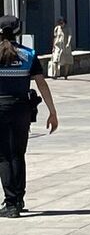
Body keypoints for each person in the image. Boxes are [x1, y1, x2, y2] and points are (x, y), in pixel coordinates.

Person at [0, 15, 58, 218]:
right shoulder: (28, 54)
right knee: (18, 154)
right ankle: (19, 198)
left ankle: (10, 203)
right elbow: (41, 83)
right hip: (21, 109)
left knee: (4, 157)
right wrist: (52, 111)